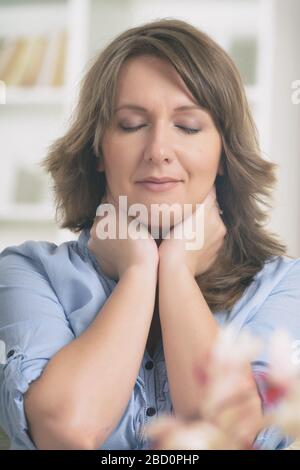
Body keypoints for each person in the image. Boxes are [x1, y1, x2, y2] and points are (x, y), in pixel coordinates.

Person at [0, 18, 299, 451]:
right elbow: (65, 430)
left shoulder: (282, 287)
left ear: (222, 154)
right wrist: (141, 269)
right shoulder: (28, 272)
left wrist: (175, 269)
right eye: (132, 124)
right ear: (98, 149)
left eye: (189, 127)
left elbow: (227, 436)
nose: (159, 149)